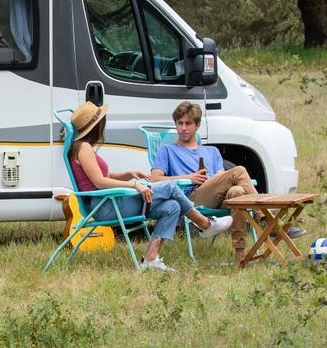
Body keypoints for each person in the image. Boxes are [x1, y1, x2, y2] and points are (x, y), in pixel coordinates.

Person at [67, 101, 231, 272]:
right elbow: (99, 182)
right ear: (96, 126)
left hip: (108, 202)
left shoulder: (83, 147)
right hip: (105, 206)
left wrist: (128, 173)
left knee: (172, 207)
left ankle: (151, 259)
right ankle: (204, 224)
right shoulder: (84, 148)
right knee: (169, 187)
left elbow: (103, 176)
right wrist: (134, 184)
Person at [148, 101, 305, 263]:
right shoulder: (167, 150)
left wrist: (215, 179)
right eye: (179, 123)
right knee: (239, 170)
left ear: (197, 125)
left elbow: (222, 177)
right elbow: (155, 179)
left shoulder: (212, 151)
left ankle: (240, 256)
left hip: (217, 196)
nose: (183, 128)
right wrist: (189, 178)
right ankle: (269, 221)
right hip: (191, 199)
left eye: (188, 123)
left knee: (236, 193)